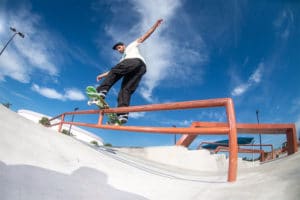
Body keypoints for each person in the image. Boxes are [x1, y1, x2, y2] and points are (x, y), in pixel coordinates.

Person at [96, 19, 163, 124]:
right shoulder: (122, 59)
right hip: (141, 68)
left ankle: (101, 91)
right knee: (126, 89)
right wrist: (102, 75)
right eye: (117, 49)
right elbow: (113, 72)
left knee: (116, 70)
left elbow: (144, 36)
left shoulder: (131, 46)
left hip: (134, 62)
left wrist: (155, 26)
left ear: (124, 45)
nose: (119, 49)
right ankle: (123, 114)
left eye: (119, 47)